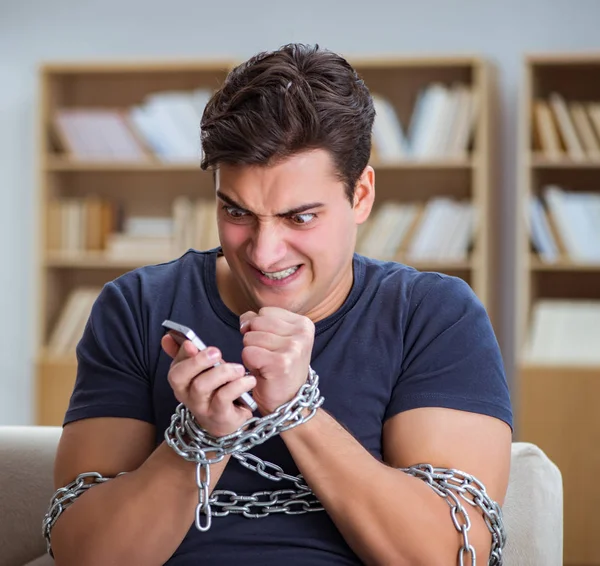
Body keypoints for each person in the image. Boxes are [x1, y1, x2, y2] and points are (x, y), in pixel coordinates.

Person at [46, 43, 513, 566]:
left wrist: (296, 409)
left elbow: (452, 554)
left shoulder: (433, 316)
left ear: (361, 196)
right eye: (237, 212)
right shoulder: (136, 306)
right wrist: (200, 440)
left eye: (300, 218)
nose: (264, 253)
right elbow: (84, 555)